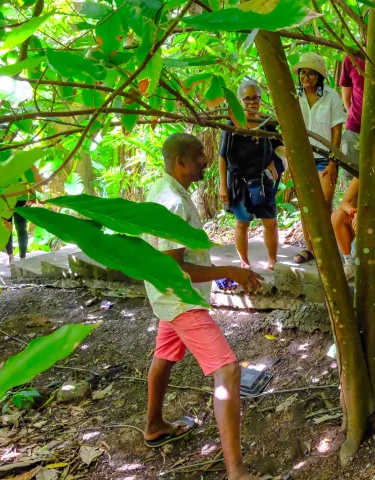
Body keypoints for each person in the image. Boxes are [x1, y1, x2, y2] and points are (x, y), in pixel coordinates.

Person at [143, 133, 269, 480]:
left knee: (165, 355)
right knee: (228, 371)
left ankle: (154, 425)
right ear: (180, 162)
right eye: (198, 155)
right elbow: (173, 266)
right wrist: (229, 271)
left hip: (170, 298)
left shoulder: (167, 191)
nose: (205, 160)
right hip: (179, 299)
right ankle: (236, 472)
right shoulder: (173, 202)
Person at [218, 80, 287, 270]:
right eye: (247, 99)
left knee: (271, 222)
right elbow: (222, 156)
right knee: (242, 223)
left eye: (255, 98)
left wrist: (276, 161)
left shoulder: (267, 124)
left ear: (260, 99)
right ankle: (244, 262)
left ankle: (272, 260)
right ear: (240, 101)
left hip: (263, 182)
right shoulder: (232, 125)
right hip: (239, 182)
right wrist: (222, 184)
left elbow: (282, 149)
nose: (252, 102)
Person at [291, 52, 346, 264]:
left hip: (325, 159)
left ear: (320, 76)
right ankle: (310, 248)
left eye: (311, 74)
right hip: (302, 158)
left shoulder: (331, 96)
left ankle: (328, 246)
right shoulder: (294, 96)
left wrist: (334, 162)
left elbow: (337, 131)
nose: (306, 78)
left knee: (323, 204)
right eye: (303, 73)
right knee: (306, 205)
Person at [331, 168, 375, 281]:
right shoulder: (362, 175)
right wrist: (355, 213)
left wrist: (366, 216)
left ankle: (373, 260)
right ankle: (349, 262)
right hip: (359, 220)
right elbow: (344, 203)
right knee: (337, 216)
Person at [4, 165, 44, 265]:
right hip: (6, 199)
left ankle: (22, 257)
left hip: (22, 200)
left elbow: (35, 176)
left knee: (21, 228)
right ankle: (10, 256)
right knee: (6, 228)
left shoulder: (27, 162)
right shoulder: (4, 160)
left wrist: (33, 195)